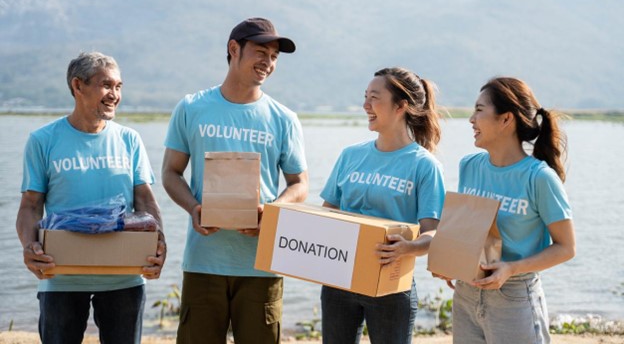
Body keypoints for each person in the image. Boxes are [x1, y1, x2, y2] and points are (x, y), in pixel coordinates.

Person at [162, 17, 309, 344]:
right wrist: (193, 208)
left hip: (262, 264)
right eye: (261, 52)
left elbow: (299, 183)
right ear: (233, 49)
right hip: (204, 261)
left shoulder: (284, 118)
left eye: (274, 57)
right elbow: (171, 173)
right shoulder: (192, 107)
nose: (268, 63)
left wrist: (270, 212)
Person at [16, 51, 167, 344]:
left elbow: (146, 203)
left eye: (119, 86)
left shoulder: (129, 139)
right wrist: (29, 246)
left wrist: (159, 244)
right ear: (78, 86)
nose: (115, 95)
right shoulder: (43, 140)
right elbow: (30, 206)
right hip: (60, 276)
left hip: (124, 276)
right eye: (106, 85)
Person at [319, 67, 445, 344]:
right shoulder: (350, 156)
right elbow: (327, 214)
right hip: (339, 277)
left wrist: (408, 248)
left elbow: (433, 234)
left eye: (374, 98)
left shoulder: (424, 165)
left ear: (401, 106)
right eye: (365, 97)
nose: (365, 105)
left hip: (391, 284)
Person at [448, 77, 576, 343]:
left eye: (479, 110)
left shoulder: (539, 178)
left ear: (506, 119)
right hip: (465, 295)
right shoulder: (469, 166)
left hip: (514, 297)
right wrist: (452, 262)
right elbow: (470, 230)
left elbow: (566, 247)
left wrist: (512, 268)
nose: (471, 119)